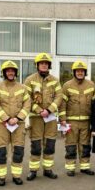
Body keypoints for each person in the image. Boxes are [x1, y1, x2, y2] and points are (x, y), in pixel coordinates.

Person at [0, 61, 31, 186]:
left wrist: (18, 118)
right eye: (8, 71)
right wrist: (7, 119)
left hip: (18, 124)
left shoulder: (23, 88)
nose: (10, 72)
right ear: (3, 73)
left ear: (16, 73)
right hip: (2, 124)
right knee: (1, 151)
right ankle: (1, 177)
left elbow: (27, 104)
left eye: (12, 70)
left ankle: (16, 175)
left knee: (18, 150)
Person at [23, 53, 62, 181]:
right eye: (42, 63)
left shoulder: (55, 80)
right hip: (36, 117)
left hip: (50, 117)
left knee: (50, 143)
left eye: (46, 63)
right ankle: (33, 170)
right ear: (37, 65)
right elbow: (26, 98)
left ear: (49, 65)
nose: (44, 65)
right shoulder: (30, 80)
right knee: (36, 144)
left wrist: (50, 110)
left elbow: (59, 97)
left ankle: (48, 169)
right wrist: (39, 110)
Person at [59, 60, 95, 177]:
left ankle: (84, 167)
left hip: (86, 121)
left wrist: (94, 122)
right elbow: (62, 104)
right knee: (70, 145)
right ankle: (70, 168)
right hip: (71, 121)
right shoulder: (67, 85)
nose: (80, 73)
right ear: (74, 72)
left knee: (85, 145)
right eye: (78, 71)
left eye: (82, 71)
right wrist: (63, 119)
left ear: (85, 72)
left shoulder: (91, 85)